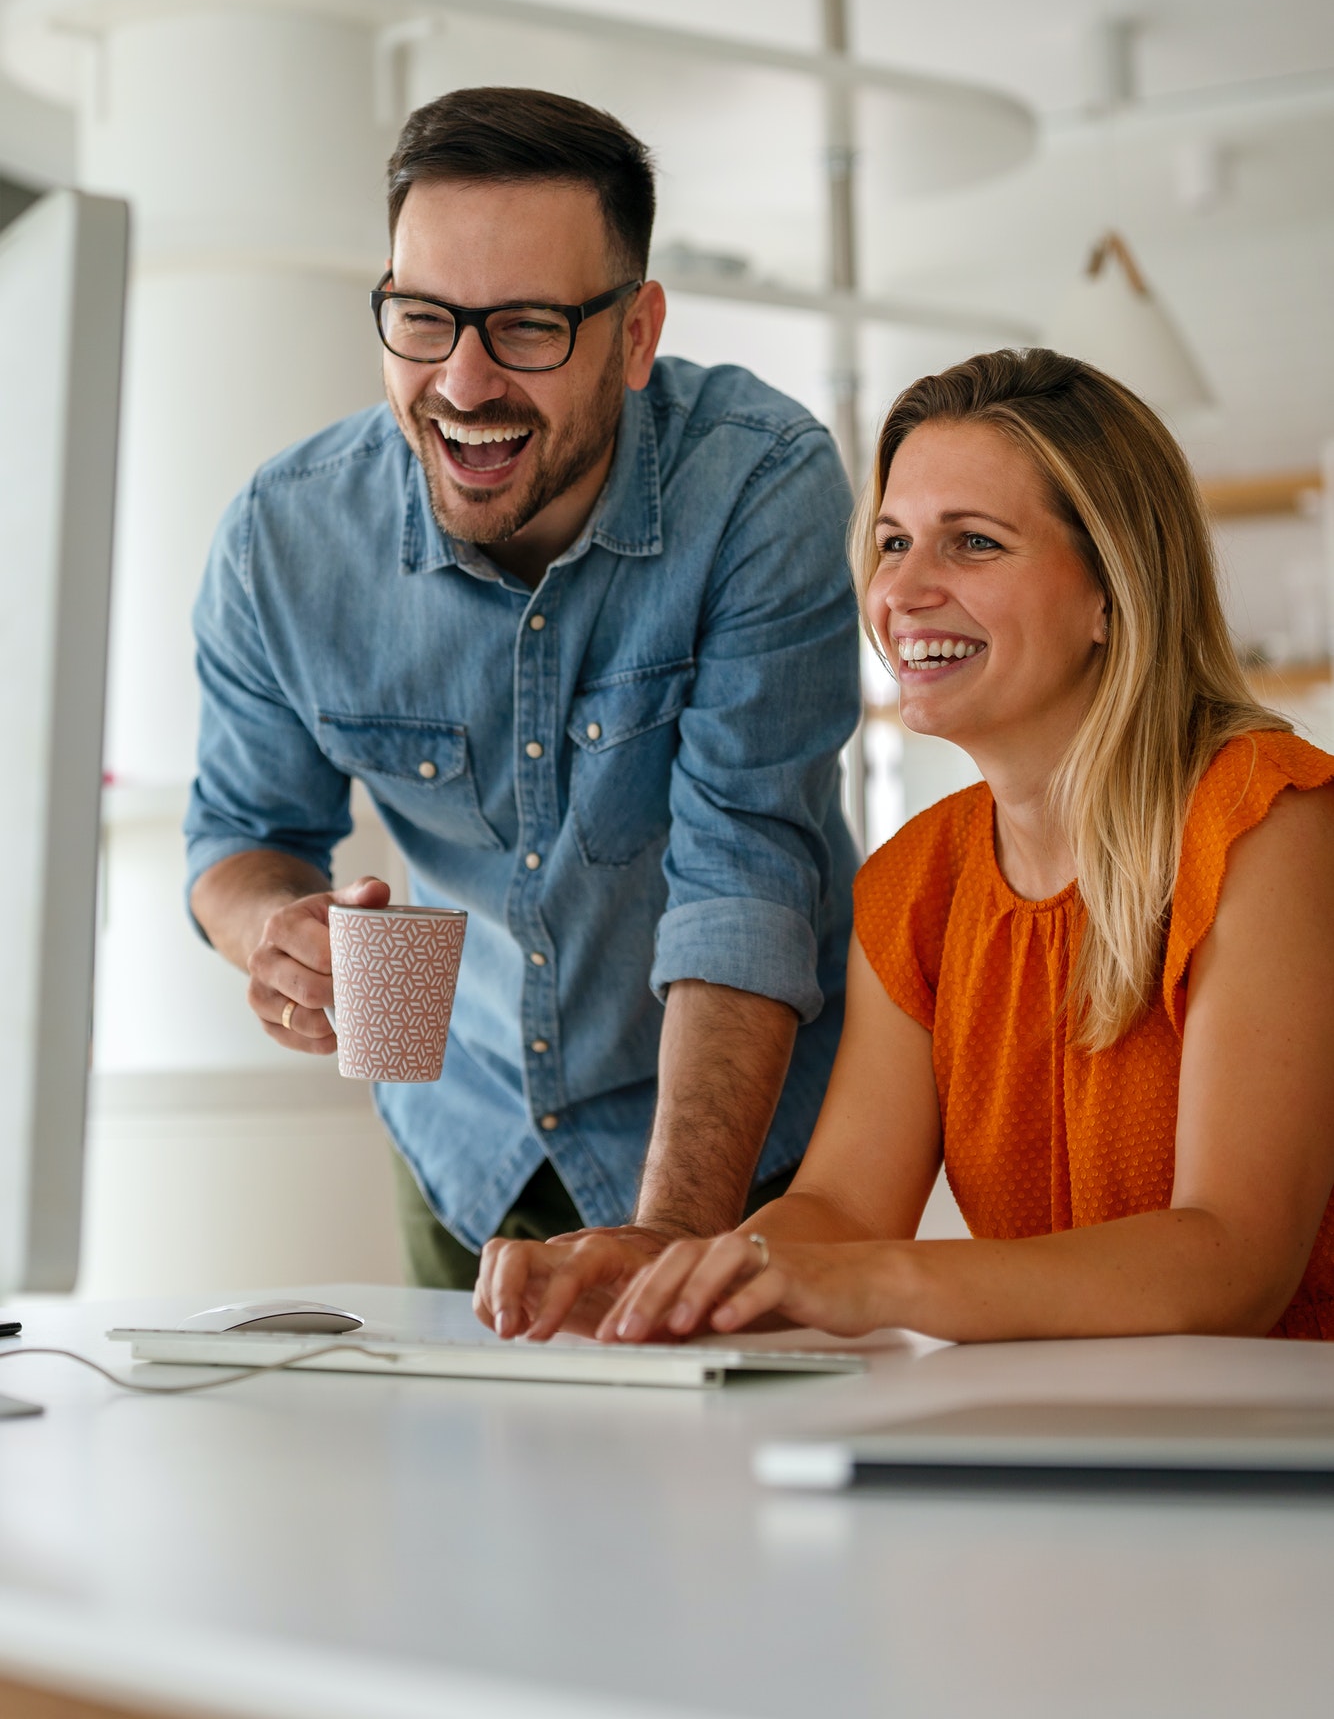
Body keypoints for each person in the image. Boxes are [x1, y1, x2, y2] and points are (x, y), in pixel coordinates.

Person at [478, 346, 1334, 1343]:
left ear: (1110, 589)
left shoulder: (1265, 820)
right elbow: (839, 1210)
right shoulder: (916, 882)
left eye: (971, 542)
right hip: (1071, 1434)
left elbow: (1231, 1257)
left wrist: (883, 1283)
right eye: (891, 541)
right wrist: (691, 1265)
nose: (902, 590)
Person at [185, 86, 861, 1288]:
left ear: (637, 331)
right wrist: (273, 931)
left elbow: (747, 877)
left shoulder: (759, 483)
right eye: (423, 317)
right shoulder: (284, 538)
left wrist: (664, 1245)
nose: (464, 382)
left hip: (741, 1144)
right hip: (468, 1146)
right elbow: (239, 834)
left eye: (530, 328)